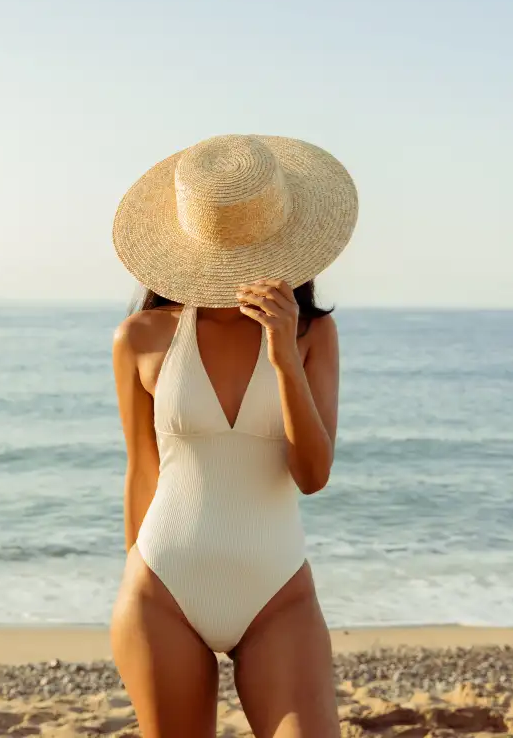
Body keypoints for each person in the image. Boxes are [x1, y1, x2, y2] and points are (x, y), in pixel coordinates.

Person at [107, 134, 358, 736]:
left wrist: (283, 356)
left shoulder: (311, 336)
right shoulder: (141, 337)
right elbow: (142, 468)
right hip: (164, 588)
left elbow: (313, 475)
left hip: (277, 595)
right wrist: (131, 577)